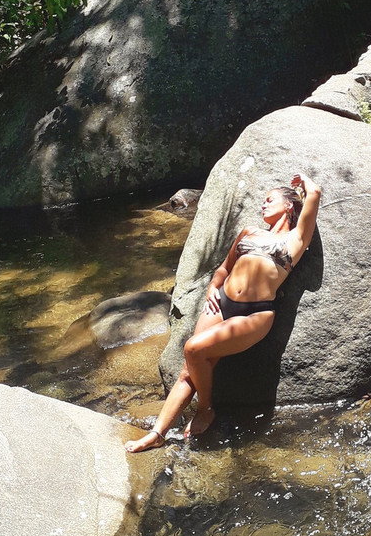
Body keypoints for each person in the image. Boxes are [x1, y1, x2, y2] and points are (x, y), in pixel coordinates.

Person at [126, 172, 322, 452]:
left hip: (255, 314)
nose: (263, 205)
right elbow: (223, 268)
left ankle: (206, 408)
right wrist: (212, 290)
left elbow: (314, 193)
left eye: (270, 200)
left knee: (193, 349)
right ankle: (157, 434)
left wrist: (304, 182)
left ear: (289, 205)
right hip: (221, 303)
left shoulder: (295, 240)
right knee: (187, 370)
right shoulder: (249, 233)